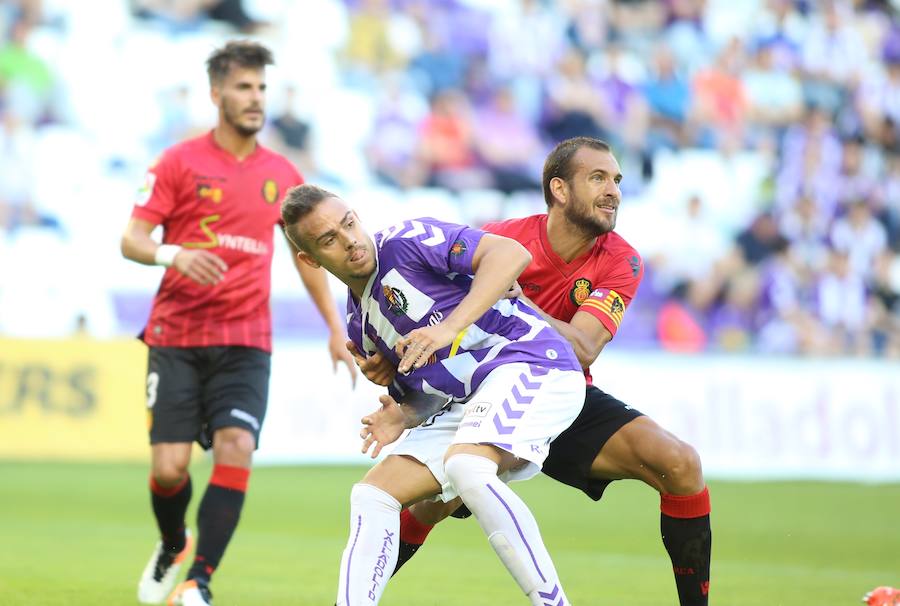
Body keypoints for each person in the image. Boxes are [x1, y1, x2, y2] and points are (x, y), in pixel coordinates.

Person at [354, 137, 713, 606]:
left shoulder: (621, 260)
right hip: (484, 394)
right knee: (427, 505)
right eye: (598, 178)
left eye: (617, 180)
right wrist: (391, 360)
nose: (614, 191)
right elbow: (440, 316)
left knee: (681, 464)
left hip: (558, 392)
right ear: (559, 189)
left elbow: (584, 348)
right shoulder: (501, 237)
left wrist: (519, 301)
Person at [120, 41, 356, 606]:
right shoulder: (178, 162)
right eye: (244, 87)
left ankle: (198, 582)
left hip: (247, 340)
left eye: (261, 88)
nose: (255, 99)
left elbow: (312, 256)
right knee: (171, 468)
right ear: (216, 94)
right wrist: (173, 255)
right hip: (176, 336)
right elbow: (131, 240)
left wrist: (333, 327)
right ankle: (174, 541)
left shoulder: (283, 174)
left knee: (236, 446)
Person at [280, 184, 586, 605]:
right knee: (372, 494)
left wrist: (449, 326)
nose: (350, 240)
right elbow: (433, 391)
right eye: (329, 239)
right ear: (310, 259)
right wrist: (403, 413)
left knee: (467, 467)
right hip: (474, 397)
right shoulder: (361, 327)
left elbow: (511, 255)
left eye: (349, 223)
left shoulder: (407, 242)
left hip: (533, 360)